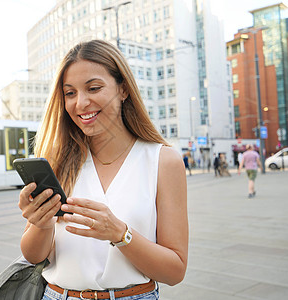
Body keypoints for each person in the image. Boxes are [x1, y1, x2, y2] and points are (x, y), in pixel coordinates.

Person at [18, 40, 188, 300]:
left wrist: (120, 234)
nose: (81, 103)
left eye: (94, 88)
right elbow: (33, 256)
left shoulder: (163, 161)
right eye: (70, 93)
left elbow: (175, 271)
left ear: (123, 89)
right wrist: (40, 223)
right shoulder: (58, 162)